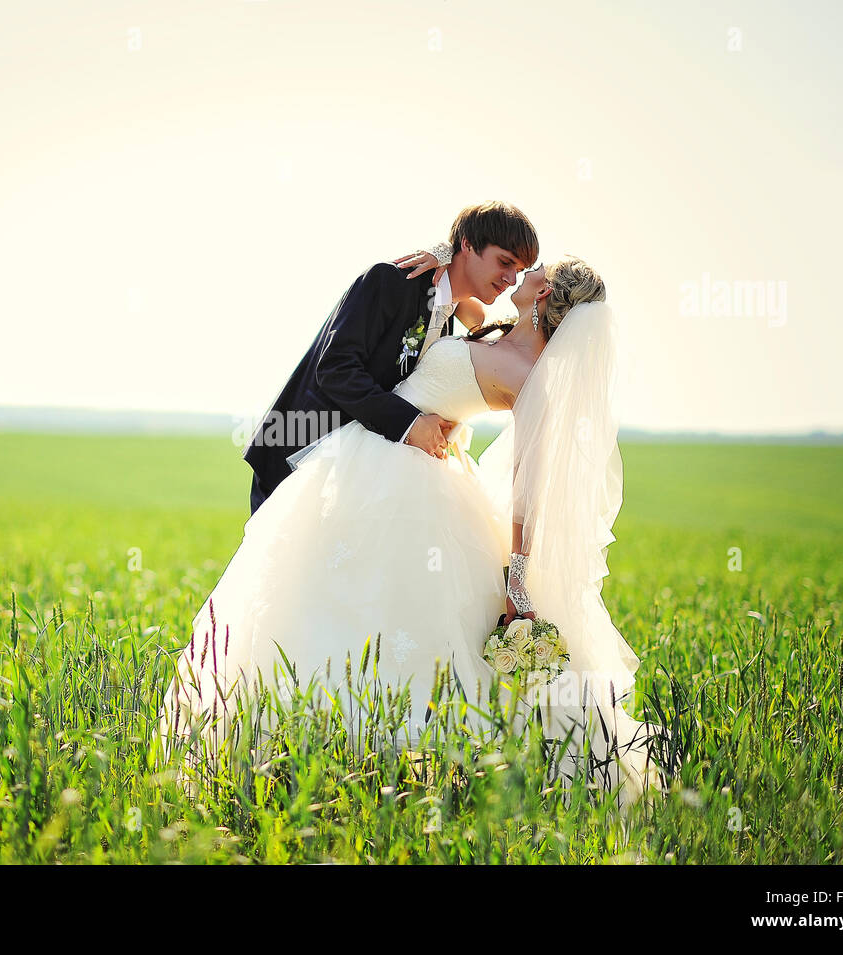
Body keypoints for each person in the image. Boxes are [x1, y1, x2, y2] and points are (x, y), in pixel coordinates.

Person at [164, 256, 667, 809]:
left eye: (531, 272)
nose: (520, 276)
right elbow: (451, 297)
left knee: (388, 617)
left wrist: (518, 574)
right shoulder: (492, 328)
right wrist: (443, 254)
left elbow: (531, 482)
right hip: (374, 461)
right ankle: (306, 753)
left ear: (546, 293)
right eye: (513, 265)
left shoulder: (531, 376)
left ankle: (383, 763)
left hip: (408, 483)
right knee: (326, 598)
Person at [241, 201, 539, 514]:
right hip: (300, 455)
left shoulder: (452, 313)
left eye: (518, 271)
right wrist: (411, 425)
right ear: (467, 244)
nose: (510, 279)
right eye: (504, 262)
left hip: (355, 477)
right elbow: (335, 370)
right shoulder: (392, 281)